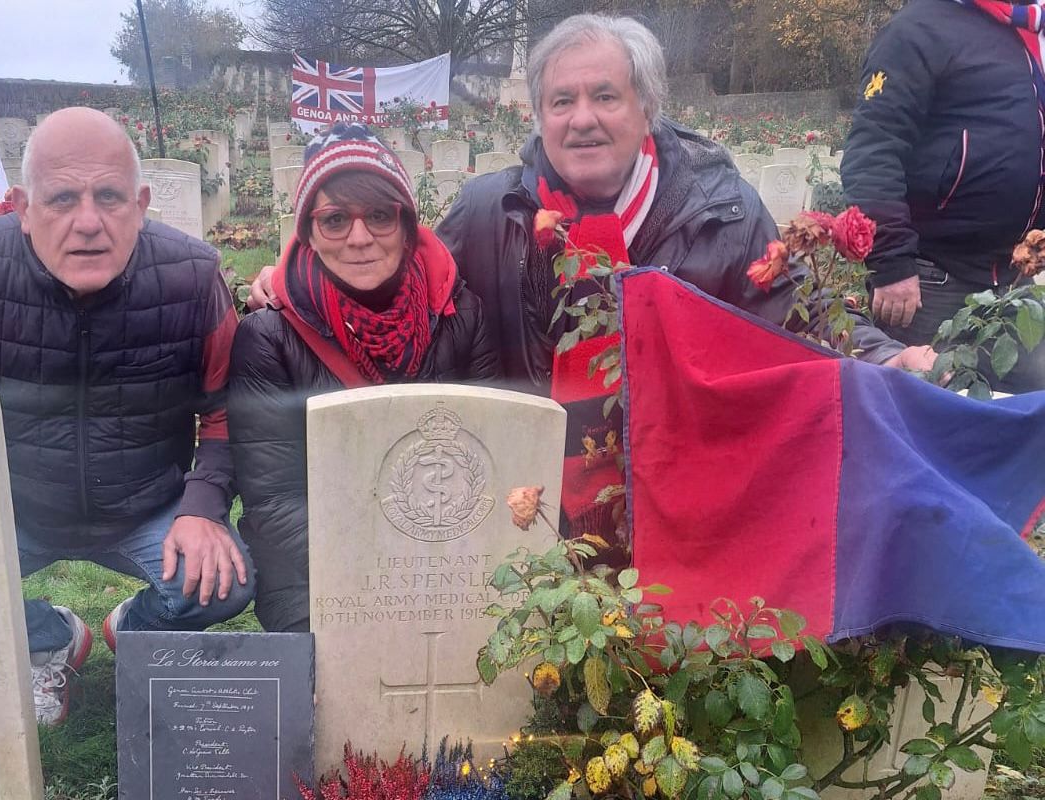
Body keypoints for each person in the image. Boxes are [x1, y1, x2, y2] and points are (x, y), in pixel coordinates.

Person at [248, 15, 934, 546]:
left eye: (605, 96)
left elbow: (795, 307)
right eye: (561, 100)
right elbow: (406, 276)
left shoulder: (719, 210)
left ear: (646, 107)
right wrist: (296, 276)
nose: (582, 119)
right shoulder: (490, 211)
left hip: (678, 492)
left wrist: (881, 356)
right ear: (539, 117)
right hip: (531, 505)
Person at [0, 107, 255, 726]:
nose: (88, 222)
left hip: (145, 504)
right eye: (62, 198)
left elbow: (227, 410)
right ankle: (49, 636)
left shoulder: (192, 278)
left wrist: (202, 508)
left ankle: (134, 628)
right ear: (22, 207)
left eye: (109, 197)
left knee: (228, 582)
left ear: (141, 204)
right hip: (6, 510)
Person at [227, 124, 499, 632]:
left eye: (379, 215)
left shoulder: (460, 314)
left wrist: (434, 562)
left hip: (448, 555)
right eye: (334, 220)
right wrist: (385, 569)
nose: (359, 238)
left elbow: (490, 456)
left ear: (406, 225)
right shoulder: (268, 338)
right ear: (308, 232)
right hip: (314, 567)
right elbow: (274, 500)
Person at [842, 0, 1045, 392]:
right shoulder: (920, 28)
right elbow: (873, 150)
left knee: (1023, 415)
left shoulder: (1027, 34)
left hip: (1016, 281)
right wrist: (891, 259)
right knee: (931, 417)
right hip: (931, 284)